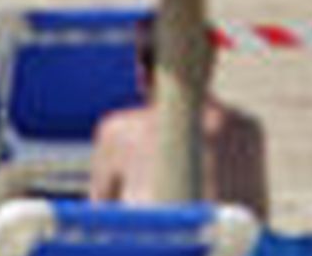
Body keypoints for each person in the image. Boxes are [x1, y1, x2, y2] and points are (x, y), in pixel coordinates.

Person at [90, 17, 269, 218]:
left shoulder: (119, 133)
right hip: (221, 246)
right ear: (210, 64)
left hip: (145, 245)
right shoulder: (245, 132)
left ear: (141, 73)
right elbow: (258, 223)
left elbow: (95, 225)